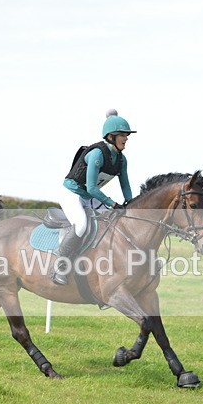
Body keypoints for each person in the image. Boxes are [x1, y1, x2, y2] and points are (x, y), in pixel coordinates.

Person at [51, 109, 135, 285]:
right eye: (122, 135)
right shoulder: (97, 154)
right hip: (72, 193)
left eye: (127, 135)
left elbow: (125, 185)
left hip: (90, 196)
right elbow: (91, 187)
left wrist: (131, 203)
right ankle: (60, 265)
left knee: (113, 221)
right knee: (81, 225)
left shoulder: (122, 160)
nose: (126, 138)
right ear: (111, 136)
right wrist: (112, 204)